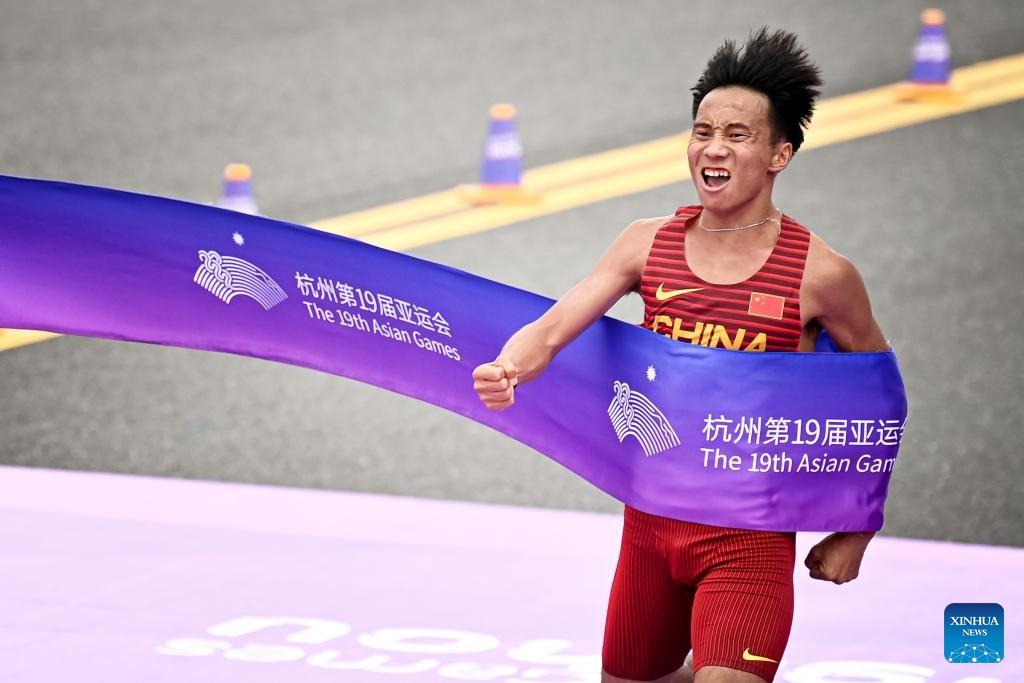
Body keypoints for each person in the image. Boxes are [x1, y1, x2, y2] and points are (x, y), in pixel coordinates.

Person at [472, 28, 888, 683]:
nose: (713, 148)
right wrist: (509, 367)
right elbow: (551, 329)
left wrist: (857, 529)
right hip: (649, 529)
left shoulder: (821, 275)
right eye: (702, 131)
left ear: (779, 154)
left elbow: (878, 398)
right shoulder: (646, 244)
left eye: (737, 135)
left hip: (749, 539)